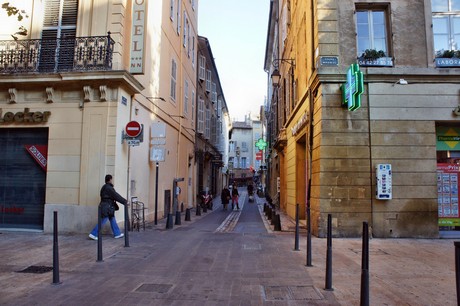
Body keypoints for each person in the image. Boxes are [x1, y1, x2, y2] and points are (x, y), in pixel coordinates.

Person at [89, 174, 127, 240]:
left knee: (112, 218)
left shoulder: (104, 187)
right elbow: (116, 196)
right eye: (112, 179)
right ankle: (93, 233)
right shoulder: (109, 188)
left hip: (106, 206)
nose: (112, 180)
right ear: (110, 180)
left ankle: (117, 233)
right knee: (103, 220)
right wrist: (125, 201)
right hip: (107, 207)